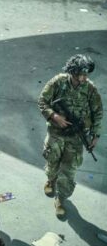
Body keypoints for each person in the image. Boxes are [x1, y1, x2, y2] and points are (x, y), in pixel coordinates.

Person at [38, 54, 103, 218]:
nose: (84, 77)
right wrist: (54, 116)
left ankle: (61, 198)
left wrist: (95, 135)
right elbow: (42, 101)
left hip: (76, 137)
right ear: (73, 72)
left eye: (86, 74)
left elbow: (97, 112)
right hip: (56, 132)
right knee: (52, 160)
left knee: (70, 169)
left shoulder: (90, 89)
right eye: (81, 74)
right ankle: (51, 180)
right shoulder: (58, 82)